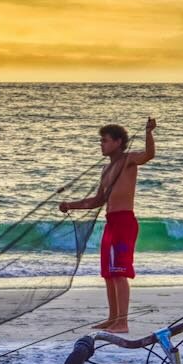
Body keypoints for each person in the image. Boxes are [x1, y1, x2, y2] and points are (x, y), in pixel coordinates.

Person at [60, 116, 156, 333]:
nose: (101, 144)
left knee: (119, 272)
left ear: (118, 142)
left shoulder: (128, 160)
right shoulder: (105, 170)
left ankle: (123, 322)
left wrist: (148, 132)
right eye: (101, 141)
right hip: (111, 223)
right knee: (109, 273)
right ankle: (113, 318)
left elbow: (149, 155)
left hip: (124, 222)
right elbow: (97, 201)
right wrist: (70, 205)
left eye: (105, 140)